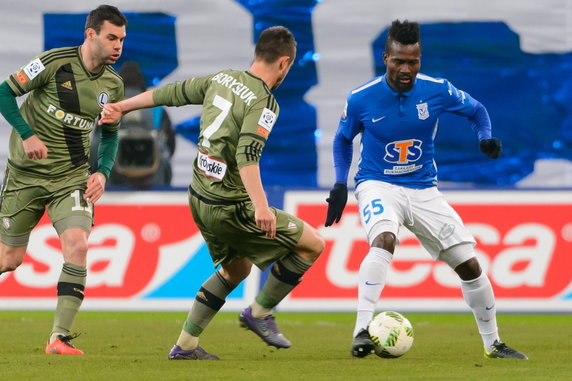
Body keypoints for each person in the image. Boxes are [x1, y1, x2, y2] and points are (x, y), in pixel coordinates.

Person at [99, 26, 325, 360]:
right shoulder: (264, 103)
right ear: (284, 63)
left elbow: (170, 93)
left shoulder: (222, 79)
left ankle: (185, 346)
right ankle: (260, 312)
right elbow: (247, 155)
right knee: (312, 245)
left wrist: (122, 106)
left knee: (237, 269)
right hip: (230, 205)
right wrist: (261, 207)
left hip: (199, 196)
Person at [325, 19, 527, 360]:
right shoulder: (361, 98)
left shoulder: (436, 89)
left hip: (423, 188)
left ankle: (493, 344)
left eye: (413, 61)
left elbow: (477, 110)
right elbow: (343, 139)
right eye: (399, 61)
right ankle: (361, 330)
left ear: (420, 59)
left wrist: (486, 138)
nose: (406, 69)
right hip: (378, 183)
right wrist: (340, 182)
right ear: (386, 57)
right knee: (384, 239)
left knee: (470, 266)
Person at [0, 5, 127, 355]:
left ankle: (59, 338)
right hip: (25, 175)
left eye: (122, 39)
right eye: (111, 37)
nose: (118, 46)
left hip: (70, 179)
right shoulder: (54, 62)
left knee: (79, 245)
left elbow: (111, 134)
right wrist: (27, 134)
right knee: (9, 259)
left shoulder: (114, 85)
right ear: (91, 34)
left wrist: (102, 171)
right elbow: (3, 92)